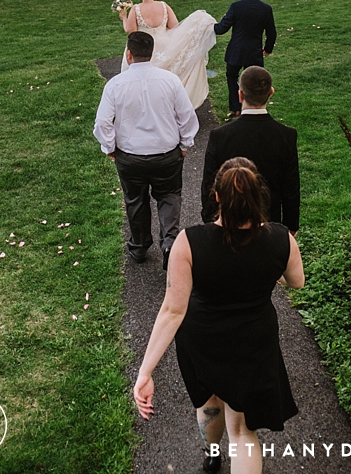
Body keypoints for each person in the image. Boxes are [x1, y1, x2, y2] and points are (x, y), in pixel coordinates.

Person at [134, 158, 304, 474]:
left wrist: (146, 371)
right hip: (253, 342)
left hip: (201, 340)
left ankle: (212, 455)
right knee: (241, 431)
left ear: (217, 197)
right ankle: (220, 451)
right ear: (257, 196)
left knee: (209, 402)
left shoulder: (189, 242)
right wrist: (274, 268)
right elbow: (296, 281)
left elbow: (173, 310)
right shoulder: (281, 239)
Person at [93, 31, 199, 270]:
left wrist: (109, 147)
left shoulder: (115, 85)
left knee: (135, 200)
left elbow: (102, 123)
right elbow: (187, 117)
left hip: (130, 157)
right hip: (167, 154)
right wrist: (185, 144)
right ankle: (169, 242)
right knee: (169, 196)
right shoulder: (170, 80)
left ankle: (139, 246)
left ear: (129, 54)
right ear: (151, 54)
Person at [201, 66, 300, 233]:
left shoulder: (220, 136)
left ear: (240, 95)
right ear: (271, 93)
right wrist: (291, 226)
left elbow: (210, 185)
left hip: (228, 223)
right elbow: (290, 188)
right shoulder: (286, 136)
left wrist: (210, 221)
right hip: (269, 225)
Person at [118, 0, 216, 110]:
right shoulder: (164, 6)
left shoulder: (136, 9)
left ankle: (140, 105)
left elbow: (131, 31)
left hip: (144, 46)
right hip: (164, 46)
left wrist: (124, 18)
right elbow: (175, 27)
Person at [214, 0, 276, 119]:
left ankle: (236, 109)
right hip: (254, 52)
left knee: (232, 77)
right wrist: (268, 49)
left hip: (236, 51)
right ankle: (253, 109)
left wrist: (208, 26)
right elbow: (271, 32)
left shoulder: (236, 6)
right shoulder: (266, 9)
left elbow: (222, 28)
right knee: (254, 81)